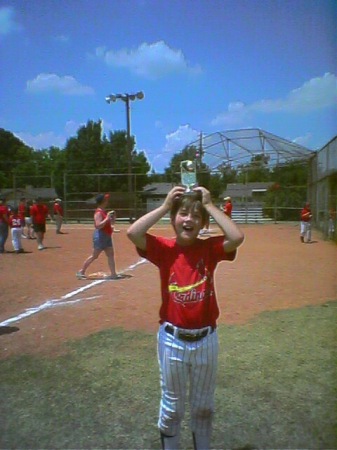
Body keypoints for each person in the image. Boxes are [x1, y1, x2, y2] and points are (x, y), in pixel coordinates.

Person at [127, 186, 244, 450]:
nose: (188, 219)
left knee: (203, 406)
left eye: (195, 216)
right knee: (172, 406)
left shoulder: (209, 248)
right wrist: (166, 205)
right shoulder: (164, 249)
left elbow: (237, 237)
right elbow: (133, 233)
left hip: (206, 339)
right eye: (182, 214)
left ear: (203, 223)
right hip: (172, 340)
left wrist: (210, 205)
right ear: (173, 219)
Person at [76, 193, 121, 280]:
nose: (107, 201)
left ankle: (113, 274)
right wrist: (107, 218)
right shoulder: (98, 212)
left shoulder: (103, 212)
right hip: (101, 237)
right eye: (106, 200)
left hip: (107, 236)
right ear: (103, 201)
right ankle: (81, 271)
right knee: (94, 256)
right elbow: (98, 225)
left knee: (110, 255)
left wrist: (112, 219)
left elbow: (108, 225)